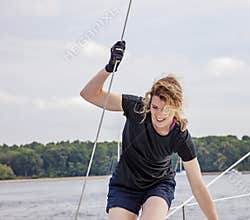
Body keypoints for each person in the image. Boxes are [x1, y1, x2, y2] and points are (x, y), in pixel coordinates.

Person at [80, 41, 219, 220]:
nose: (159, 115)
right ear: (149, 102)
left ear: (176, 108)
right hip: (125, 185)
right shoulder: (137, 108)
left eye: (166, 109)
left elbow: (197, 185)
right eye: (155, 107)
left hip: (158, 185)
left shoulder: (180, 136)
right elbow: (89, 94)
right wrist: (109, 68)